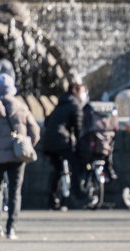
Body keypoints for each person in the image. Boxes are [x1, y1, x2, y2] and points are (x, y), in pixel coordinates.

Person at [0, 73, 40, 240]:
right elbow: (35, 131)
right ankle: (11, 228)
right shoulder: (22, 107)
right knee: (15, 191)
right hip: (17, 156)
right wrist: (27, 145)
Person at [42, 82, 85, 210]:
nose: (84, 94)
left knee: (58, 171)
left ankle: (52, 200)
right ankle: (79, 194)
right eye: (83, 91)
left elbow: (47, 121)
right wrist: (79, 143)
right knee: (76, 164)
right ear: (77, 91)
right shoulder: (74, 104)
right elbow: (78, 127)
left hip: (49, 141)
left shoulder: (61, 103)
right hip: (60, 140)